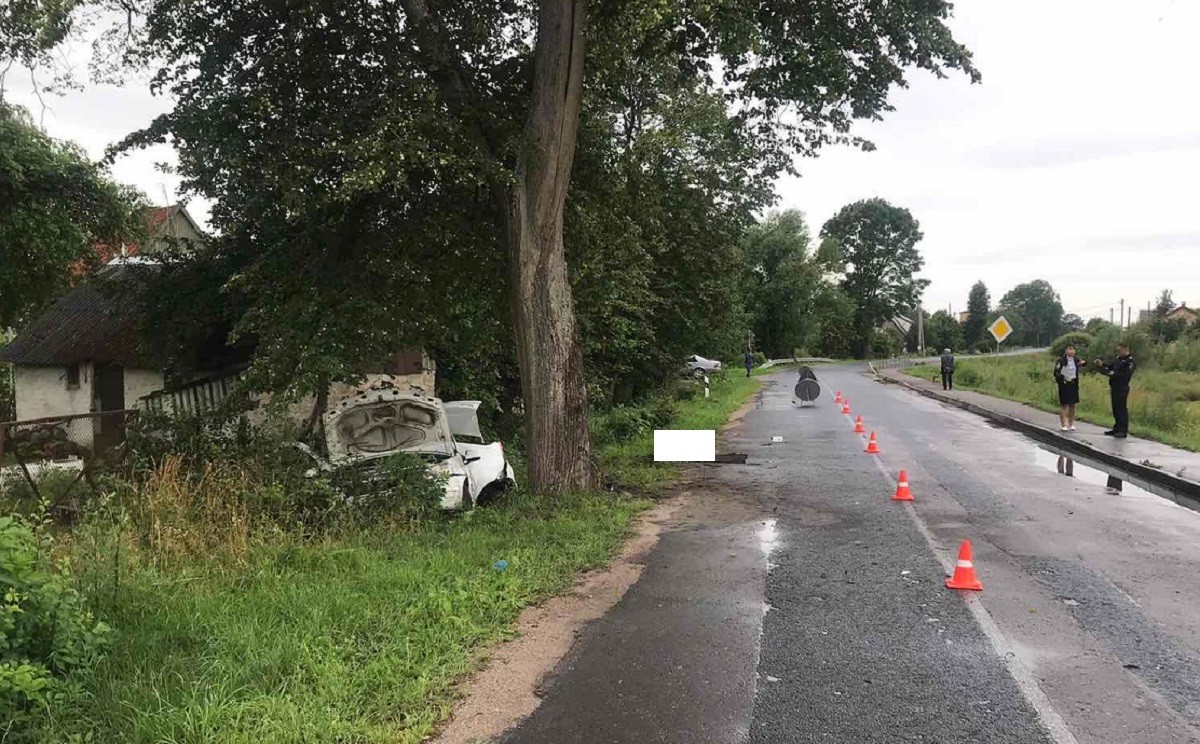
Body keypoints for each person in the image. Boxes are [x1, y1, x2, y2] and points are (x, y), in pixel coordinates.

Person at [1095, 343, 1135, 438]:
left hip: (1122, 387)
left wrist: (1113, 374)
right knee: (1115, 408)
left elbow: (1126, 375)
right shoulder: (1118, 359)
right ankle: (1116, 428)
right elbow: (1110, 366)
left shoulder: (1130, 362)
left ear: (1126, 350)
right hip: (1114, 386)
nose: (1118, 353)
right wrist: (1102, 364)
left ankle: (1123, 430)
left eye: (1119, 351)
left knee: (1121, 408)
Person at [1052, 345, 1087, 431]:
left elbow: (1083, 364)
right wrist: (1063, 377)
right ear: (1066, 350)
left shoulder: (1076, 359)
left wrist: (1083, 363)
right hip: (1064, 384)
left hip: (1073, 384)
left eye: (1073, 349)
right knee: (1064, 404)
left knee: (1072, 405)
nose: (1071, 351)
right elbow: (1056, 372)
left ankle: (1071, 424)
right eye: (1069, 349)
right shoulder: (1061, 360)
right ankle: (1064, 424)